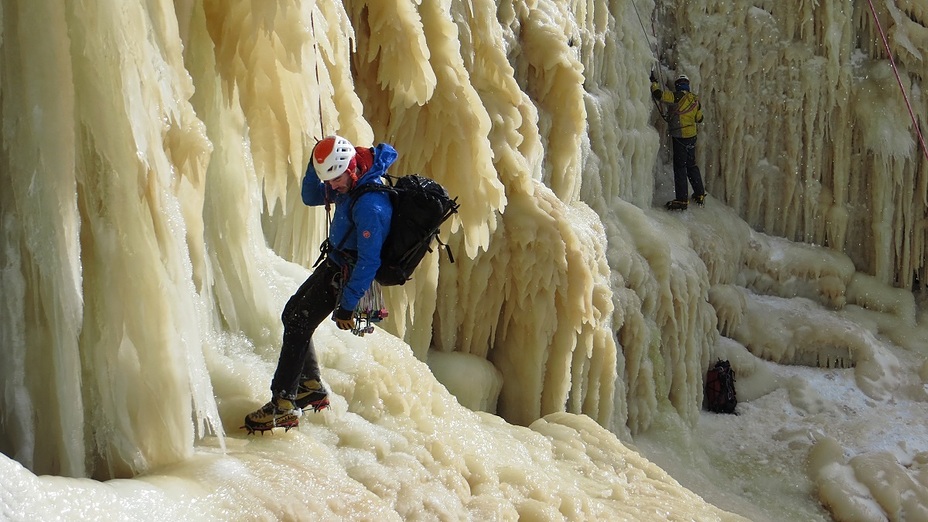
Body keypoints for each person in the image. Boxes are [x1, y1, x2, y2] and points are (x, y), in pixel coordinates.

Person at [242, 135, 396, 433]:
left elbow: (369, 262)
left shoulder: (370, 205)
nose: (333, 188)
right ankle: (309, 386)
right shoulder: (352, 180)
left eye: (336, 180)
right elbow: (311, 196)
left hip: (347, 274)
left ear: (351, 167)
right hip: (336, 264)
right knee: (293, 316)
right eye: (331, 181)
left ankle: (282, 404)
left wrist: (348, 306)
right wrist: (317, 163)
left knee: (299, 324)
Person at [650, 72, 707, 211]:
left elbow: (660, 95)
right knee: (691, 165)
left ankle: (682, 200)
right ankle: (699, 194)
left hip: (680, 136)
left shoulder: (677, 96)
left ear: (678, 85)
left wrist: (654, 83)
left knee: (680, 167)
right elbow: (699, 118)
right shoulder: (695, 100)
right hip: (692, 136)